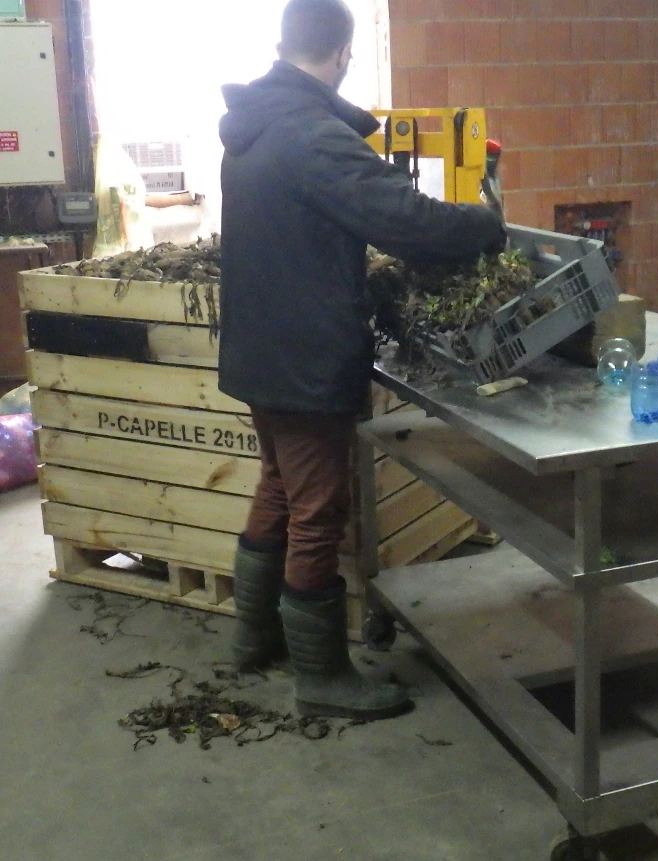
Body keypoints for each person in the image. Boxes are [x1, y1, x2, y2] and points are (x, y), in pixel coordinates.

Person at [217, 0, 506, 721]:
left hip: (259, 346)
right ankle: (320, 676)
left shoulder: (253, 125)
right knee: (317, 511)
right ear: (343, 53)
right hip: (303, 355)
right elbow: (406, 220)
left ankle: (251, 637)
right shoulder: (310, 135)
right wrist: (483, 223)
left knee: (280, 487)